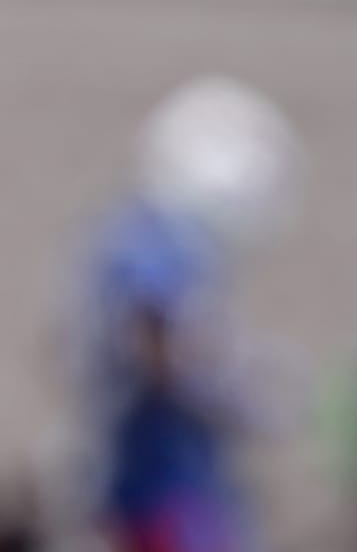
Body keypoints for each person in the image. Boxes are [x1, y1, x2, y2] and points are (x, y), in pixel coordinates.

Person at [74, 75, 300, 552]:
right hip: (163, 487)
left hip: (170, 479)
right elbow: (155, 327)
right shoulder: (158, 238)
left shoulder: (144, 234)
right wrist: (235, 384)